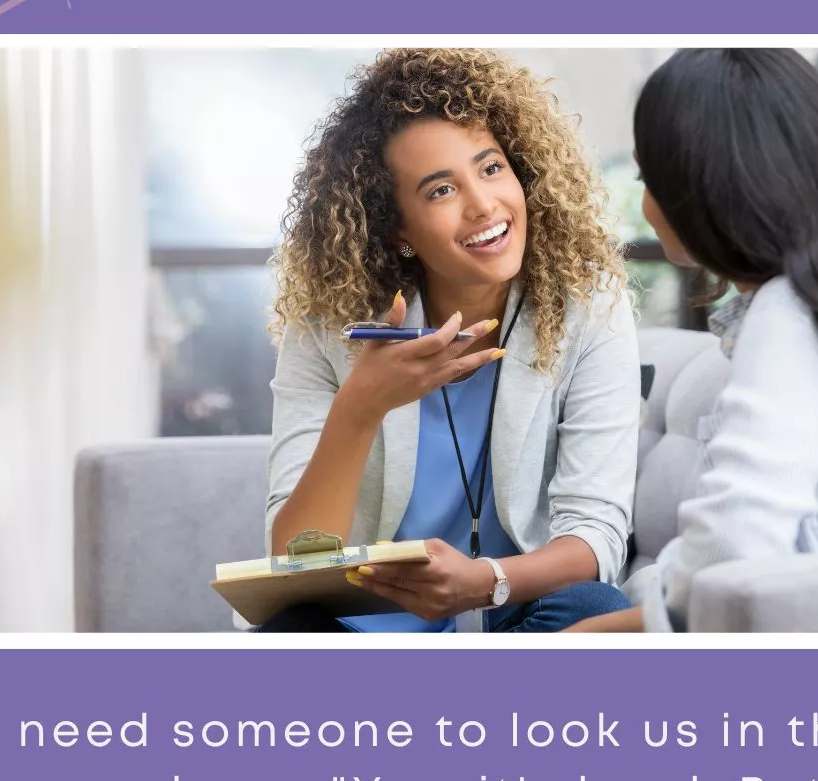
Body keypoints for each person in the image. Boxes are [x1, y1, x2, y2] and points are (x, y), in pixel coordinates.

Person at [260, 48, 642, 633]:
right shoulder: (326, 326)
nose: (484, 205)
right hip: (374, 629)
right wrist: (360, 408)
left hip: (517, 614)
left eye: (491, 169)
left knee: (595, 608)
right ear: (398, 230)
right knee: (290, 630)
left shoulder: (588, 308)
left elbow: (596, 537)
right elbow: (292, 566)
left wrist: (486, 579)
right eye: (440, 191)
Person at [567, 48, 818, 633]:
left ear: (705, 190)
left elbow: (729, 551)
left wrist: (587, 638)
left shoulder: (793, 317)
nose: (647, 203)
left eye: (647, 178)